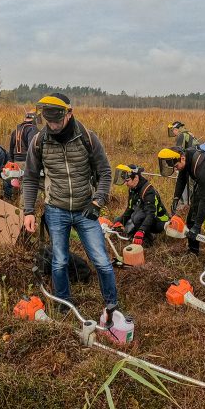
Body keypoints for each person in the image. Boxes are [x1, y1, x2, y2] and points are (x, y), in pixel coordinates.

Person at [22, 93, 122, 318]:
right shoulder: (39, 141)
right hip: (55, 210)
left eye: (57, 121)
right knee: (59, 261)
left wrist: (98, 201)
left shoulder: (87, 137)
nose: (53, 126)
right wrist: (28, 211)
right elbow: (29, 177)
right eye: (49, 122)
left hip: (86, 209)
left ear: (69, 113)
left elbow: (105, 172)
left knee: (102, 261)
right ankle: (64, 303)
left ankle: (112, 304)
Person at [158, 145, 205, 257]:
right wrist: (176, 198)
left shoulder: (202, 167)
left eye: (176, 166)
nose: (175, 169)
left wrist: (198, 225)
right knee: (191, 220)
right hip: (203, 186)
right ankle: (193, 252)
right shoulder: (186, 156)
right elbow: (181, 179)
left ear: (182, 158)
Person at [110, 164, 169, 246]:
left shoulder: (148, 191)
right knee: (118, 219)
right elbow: (130, 208)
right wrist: (121, 222)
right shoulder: (132, 188)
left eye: (127, 181)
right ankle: (136, 232)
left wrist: (141, 231)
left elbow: (151, 215)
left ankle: (148, 240)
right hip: (143, 215)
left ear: (136, 178)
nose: (125, 184)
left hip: (159, 221)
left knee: (137, 217)